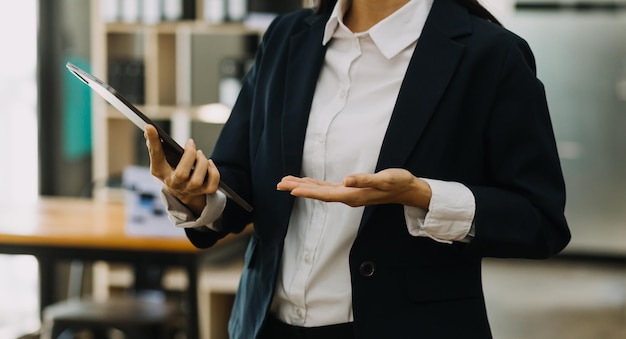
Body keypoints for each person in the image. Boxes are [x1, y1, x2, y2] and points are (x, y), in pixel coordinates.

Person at [144, 0, 571, 338]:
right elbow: (237, 183)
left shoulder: (491, 54)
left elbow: (540, 220)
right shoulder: (285, 37)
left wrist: (424, 196)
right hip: (264, 326)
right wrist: (197, 196)